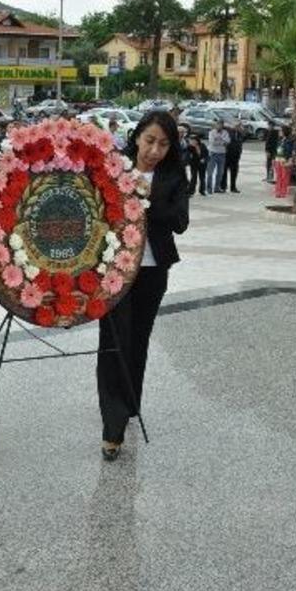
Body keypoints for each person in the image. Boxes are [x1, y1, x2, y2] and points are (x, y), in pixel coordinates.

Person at [97, 111, 189, 461]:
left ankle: (131, 401)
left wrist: (147, 200)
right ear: (137, 138)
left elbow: (179, 222)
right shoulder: (115, 167)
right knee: (113, 343)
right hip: (114, 274)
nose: (154, 150)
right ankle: (112, 427)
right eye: (150, 140)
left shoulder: (173, 176)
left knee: (137, 341)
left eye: (163, 144)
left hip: (152, 271)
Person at [205, 119, 229, 195]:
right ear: (216, 125)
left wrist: (219, 139)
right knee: (210, 172)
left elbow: (227, 141)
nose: (219, 126)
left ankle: (217, 187)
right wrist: (222, 141)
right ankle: (209, 188)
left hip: (222, 154)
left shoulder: (225, 132)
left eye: (221, 125)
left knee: (220, 172)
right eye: (218, 124)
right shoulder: (211, 132)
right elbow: (212, 142)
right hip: (213, 153)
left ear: (222, 125)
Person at [224, 120, 243, 193]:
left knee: (234, 172)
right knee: (224, 172)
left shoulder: (240, 134)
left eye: (240, 126)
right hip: (228, 155)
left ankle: (233, 187)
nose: (240, 127)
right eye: (238, 126)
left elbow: (240, 143)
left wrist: (240, 152)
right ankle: (223, 186)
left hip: (236, 156)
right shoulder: (228, 132)